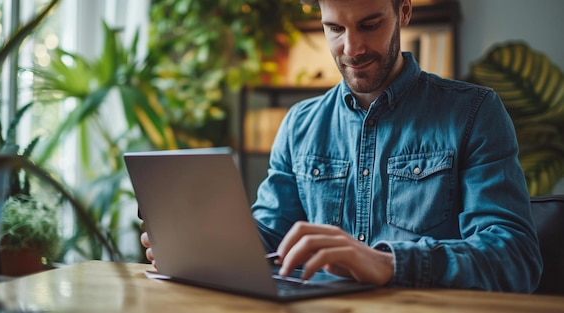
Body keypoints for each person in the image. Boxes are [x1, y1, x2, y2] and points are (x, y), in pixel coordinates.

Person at [141, 0, 543, 292]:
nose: (351, 48)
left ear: (403, 12)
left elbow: (515, 258)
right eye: (335, 29)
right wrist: (201, 248)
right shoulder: (300, 124)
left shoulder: (473, 112)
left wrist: (388, 264)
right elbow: (270, 238)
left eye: (370, 24)